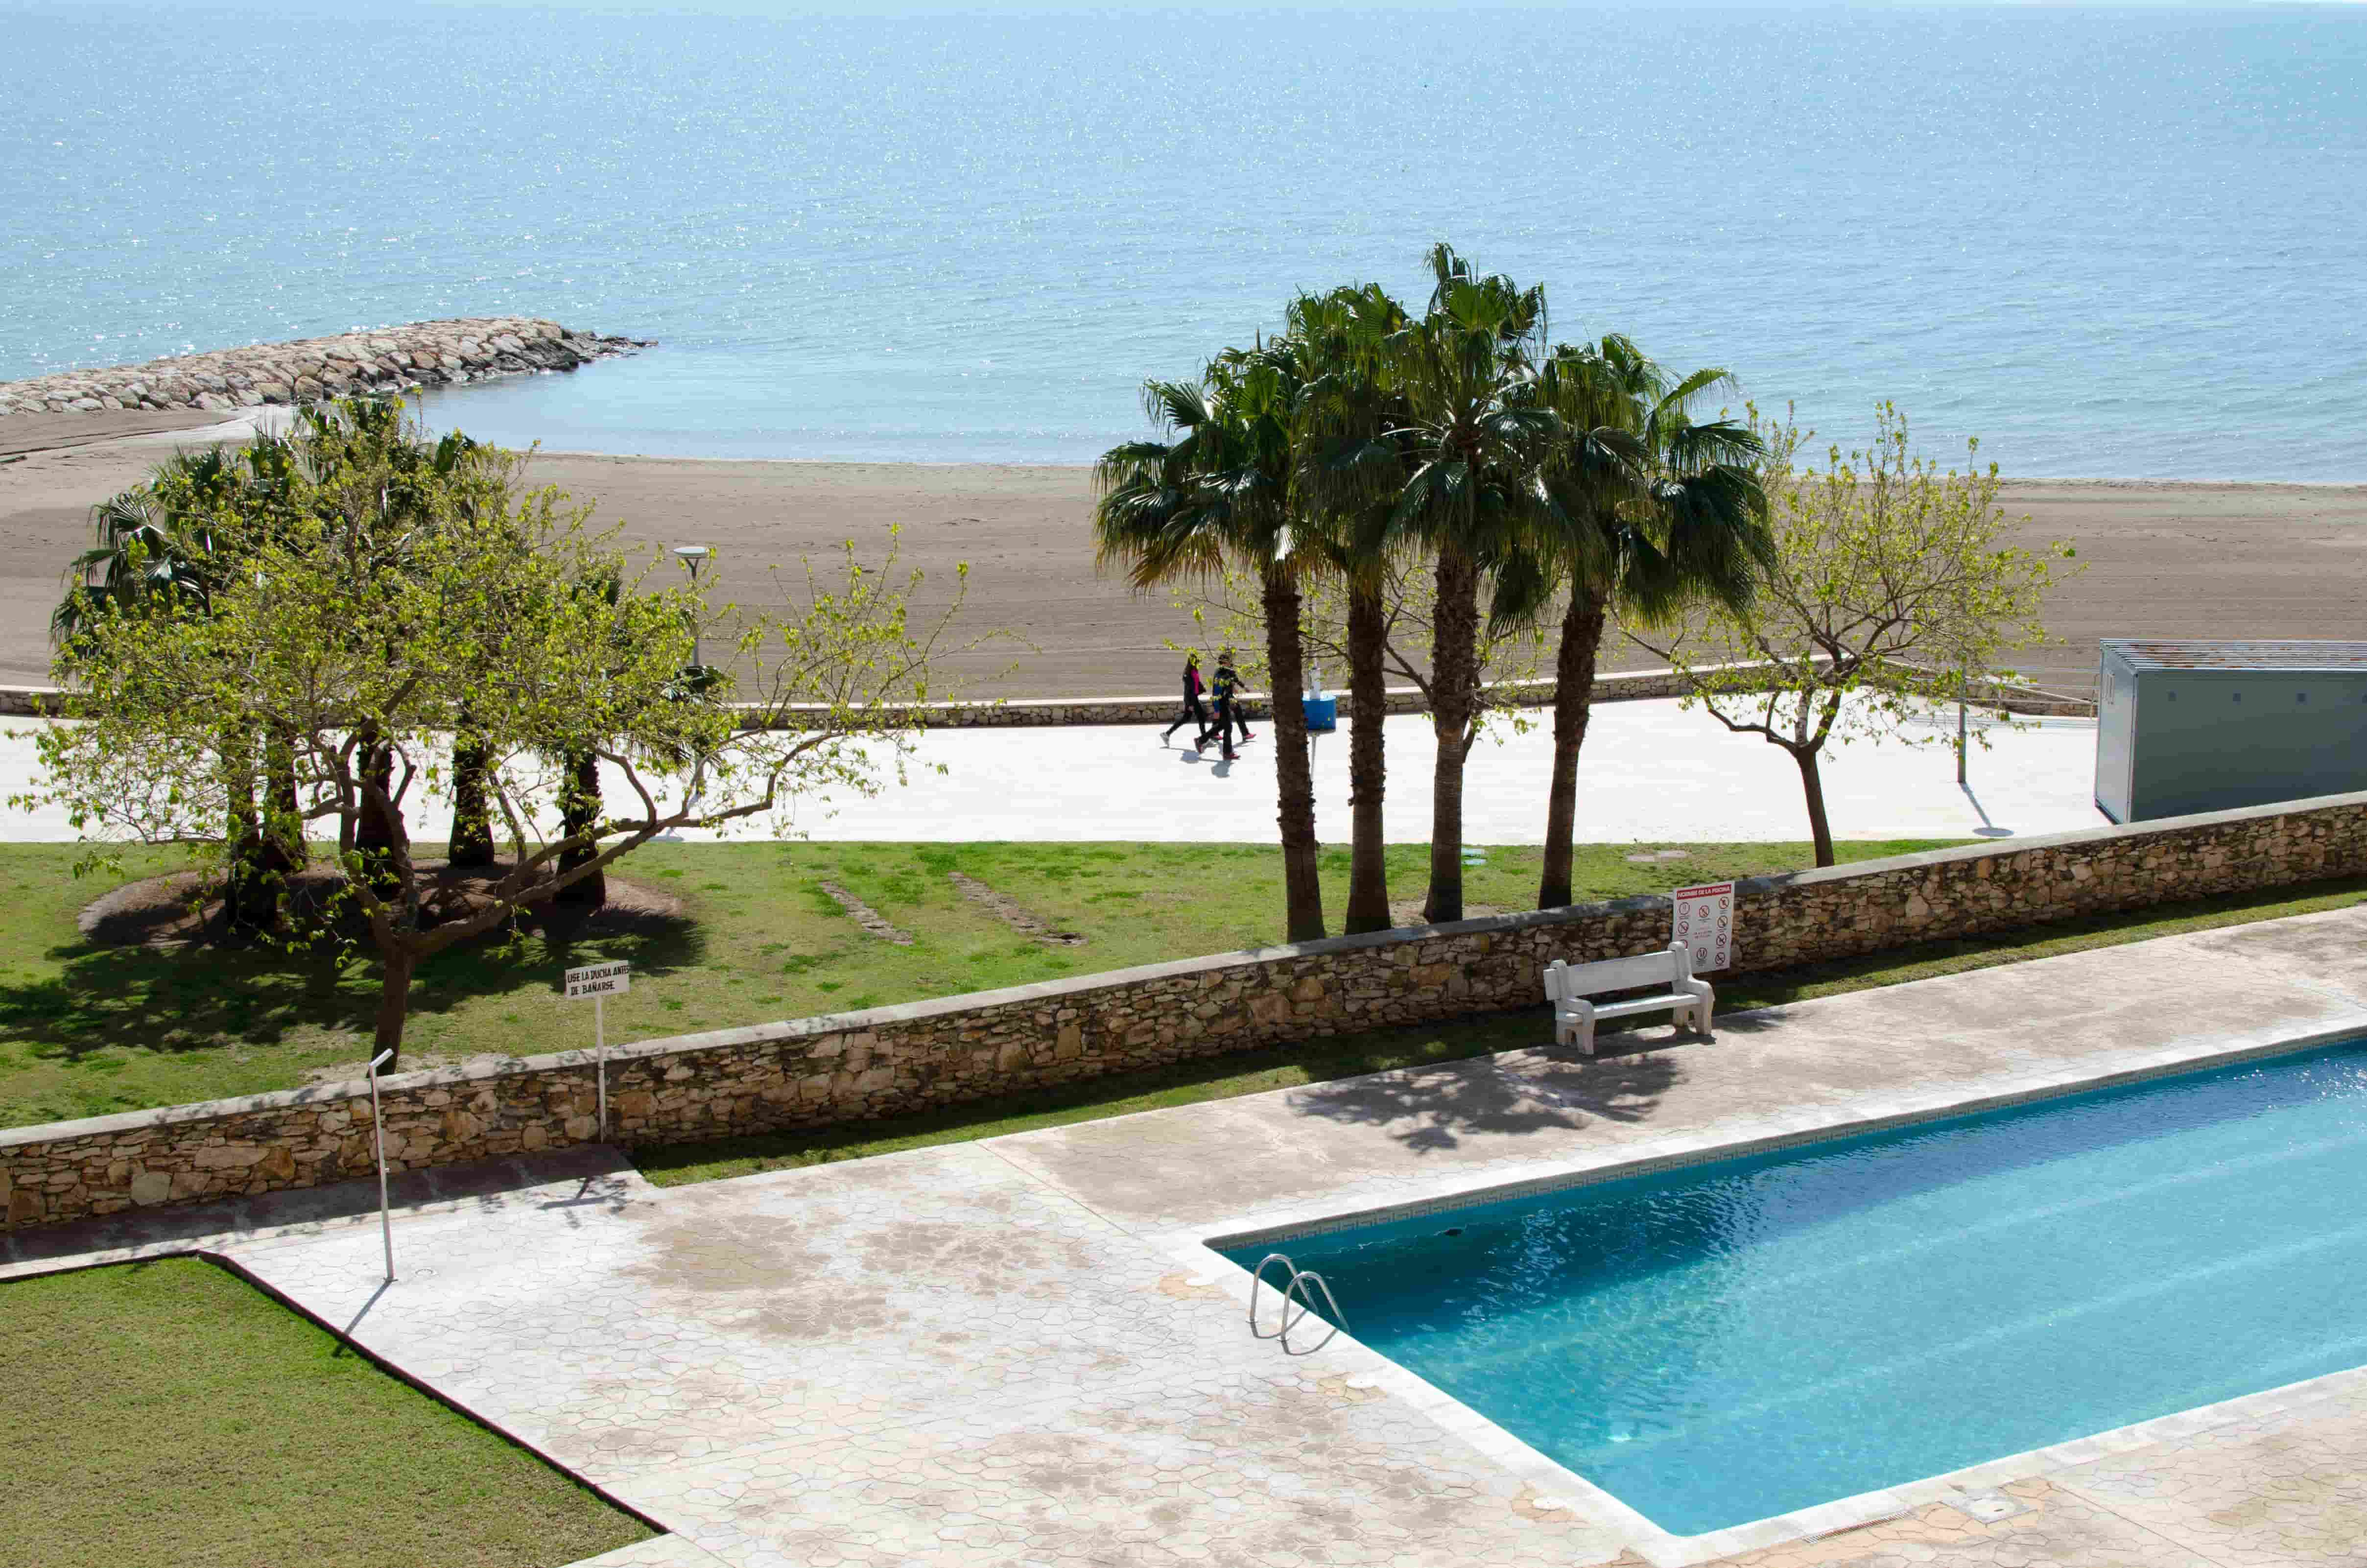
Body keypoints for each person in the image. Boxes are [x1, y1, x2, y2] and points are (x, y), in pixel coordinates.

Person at [1207, 649, 1254, 759]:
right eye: (1228, 661)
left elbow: (1234, 680)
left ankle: (1245, 734)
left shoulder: (1224, 670)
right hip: (1224, 698)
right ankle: (1208, 736)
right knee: (1224, 721)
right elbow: (1228, 683)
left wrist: (1241, 688)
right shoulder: (1221, 672)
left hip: (1228, 697)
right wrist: (1238, 688)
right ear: (1225, 662)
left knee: (1236, 713)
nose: (1230, 662)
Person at [1162, 652, 1211, 746]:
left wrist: (1202, 688)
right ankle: (1204, 740)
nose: (1197, 662)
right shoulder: (1188, 674)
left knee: (1186, 718)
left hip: (1194, 698)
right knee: (1201, 717)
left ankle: (1167, 734)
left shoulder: (1194, 671)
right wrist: (1190, 705)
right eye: (1195, 661)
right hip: (1191, 699)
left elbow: (1197, 683)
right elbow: (1189, 691)